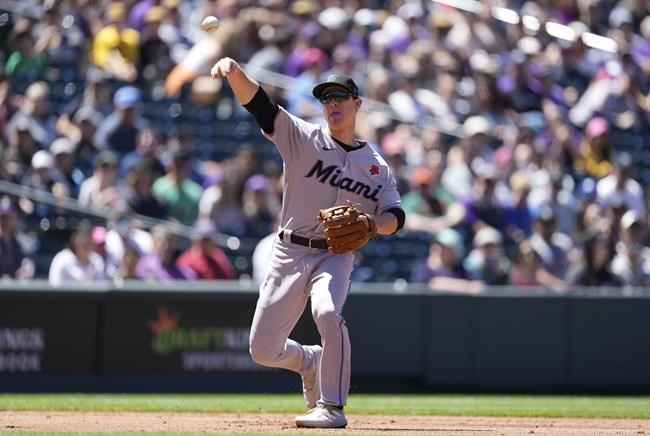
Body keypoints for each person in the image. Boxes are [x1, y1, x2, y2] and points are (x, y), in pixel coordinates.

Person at [210, 59, 404, 428]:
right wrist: (235, 72)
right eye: (326, 98)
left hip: (336, 254)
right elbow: (260, 106)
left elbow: (397, 216)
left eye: (340, 96)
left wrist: (373, 225)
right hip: (289, 251)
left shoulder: (375, 164)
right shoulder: (303, 137)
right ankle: (309, 361)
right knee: (263, 350)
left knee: (329, 313)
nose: (332, 103)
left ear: (357, 104)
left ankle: (332, 407)